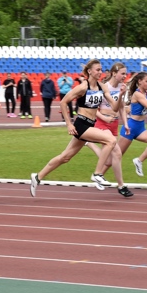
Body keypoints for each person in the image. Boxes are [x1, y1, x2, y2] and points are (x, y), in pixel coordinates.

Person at [30, 59, 133, 198]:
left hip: (90, 124)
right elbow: (63, 102)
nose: (100, 72)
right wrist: (69, 124)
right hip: (81, 124)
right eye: (97, 69)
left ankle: (37, 177)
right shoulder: (83, 87)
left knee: (65, 157)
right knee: (110, 141)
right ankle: (97, 173)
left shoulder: (103, 87)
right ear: (89, 71)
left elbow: (115, 107)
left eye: (101, 70)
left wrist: (121, 95)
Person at [84, 62, 128, 179]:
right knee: (117, 152)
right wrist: (104, 118)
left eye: (126, 74)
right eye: (122, 73)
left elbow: (121, 107)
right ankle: (119, 185)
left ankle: (89, 143)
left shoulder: (122, 88)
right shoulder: (103, 87)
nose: (125, 76)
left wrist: (126, 123)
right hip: (102, 122)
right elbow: (92, 107)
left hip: (114, 124)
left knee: (108, 161)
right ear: (114, 73)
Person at [118, 71, 147, 177]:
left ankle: (139, 160)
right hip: (130, 128)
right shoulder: (138, 94)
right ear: (140, 81)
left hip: (140, 128)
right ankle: (99, 174)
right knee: (116, 156)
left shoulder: (145, 94)